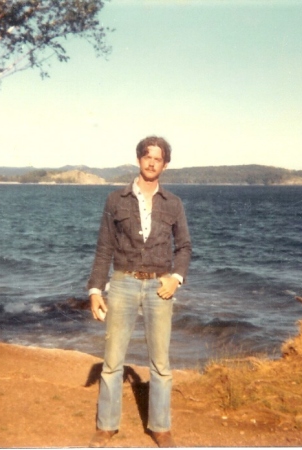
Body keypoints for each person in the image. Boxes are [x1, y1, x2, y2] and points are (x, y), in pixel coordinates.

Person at [87, 136, 191, 448]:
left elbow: (184, 247)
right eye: (146, 157)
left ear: (165, 165)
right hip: (122, 283)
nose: (151, 162)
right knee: (112, 359)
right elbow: (104, 248)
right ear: (138, 160)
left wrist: (176, 278)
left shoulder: (173, 204)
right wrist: (95, 290)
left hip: (160, 286)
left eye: (157, 158)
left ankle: (160, 427)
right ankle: (106, 426)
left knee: (160, 361)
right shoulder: (115, 200)